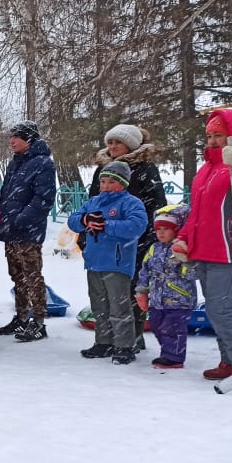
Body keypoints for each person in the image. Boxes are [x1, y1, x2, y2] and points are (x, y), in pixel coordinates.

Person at [175, 108, 232, 389]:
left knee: (221, 309)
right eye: (210, 135)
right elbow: (197, 212)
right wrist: (184, 238)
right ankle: (231, 361)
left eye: (219, 135)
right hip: (204, 249)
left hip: (231, 249)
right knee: (216, 310)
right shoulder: (207, 169)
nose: (213, 141)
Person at [80, 124, 168, 351]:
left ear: (131, 144)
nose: (112, 146)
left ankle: (132, 339)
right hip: (102, 244)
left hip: (134, 240)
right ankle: (107, 340)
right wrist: (84, 234)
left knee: (130, 291)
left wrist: (148, 238)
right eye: (109, 142)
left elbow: (156, 205)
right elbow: (91, 203)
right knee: (103, 295)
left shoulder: (145, 169)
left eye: (118, 142)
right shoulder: (103, 169)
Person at [68, 162, 148, 364]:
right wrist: (85, 220)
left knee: (119, 306)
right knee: (99, 305)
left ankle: (124, 345)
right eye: (103, 181)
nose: (105, 186)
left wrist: (106, 225)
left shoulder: (131, 203)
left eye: (111, 182)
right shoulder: (93, 202)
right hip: (94, 262)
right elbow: (73, 220)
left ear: (123, 183)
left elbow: (137, 225)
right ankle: (104, 342)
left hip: (117, 263)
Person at [0, 120, 57, 342]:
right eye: (11, 137)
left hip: (28, 231)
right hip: (11, 230)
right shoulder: (15, 163)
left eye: (16, 137)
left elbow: (43, 199)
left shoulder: (43, 163)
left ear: (28, 139)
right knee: (17, 276)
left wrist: (21, 220)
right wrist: (3, 219)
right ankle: (21, 317)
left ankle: (38, 321)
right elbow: (7, 194)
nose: (12, 141)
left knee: (32, 276)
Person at [135, 205, 197, 369]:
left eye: (166, 229)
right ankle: (168, 351)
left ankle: (174, 357)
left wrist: (185, 261)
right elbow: (145, 270)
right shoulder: (154, 248)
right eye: (158, 229)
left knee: (172, 328)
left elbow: (193, 274)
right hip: (157, 299)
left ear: (176, 230)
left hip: (179, 299)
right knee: (156, 325)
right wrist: (141, 290)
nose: (161, 233)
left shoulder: (182, 248)